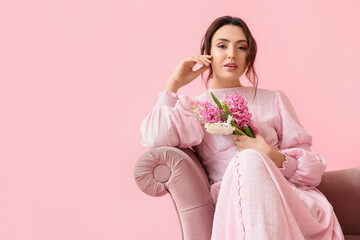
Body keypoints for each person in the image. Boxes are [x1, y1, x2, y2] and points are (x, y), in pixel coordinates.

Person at [140, 15, 344, 240]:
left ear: (249, 56)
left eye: (241, 47)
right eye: (222, 46)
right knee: (246, 160)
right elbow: (154, 138)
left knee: (251, 158)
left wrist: (270, 155)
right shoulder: (194, 108)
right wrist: (174, 84)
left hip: (289, 203)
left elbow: (312, 173)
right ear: (207, 53)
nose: (231, 54)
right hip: (236, 208)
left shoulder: (273, 100)